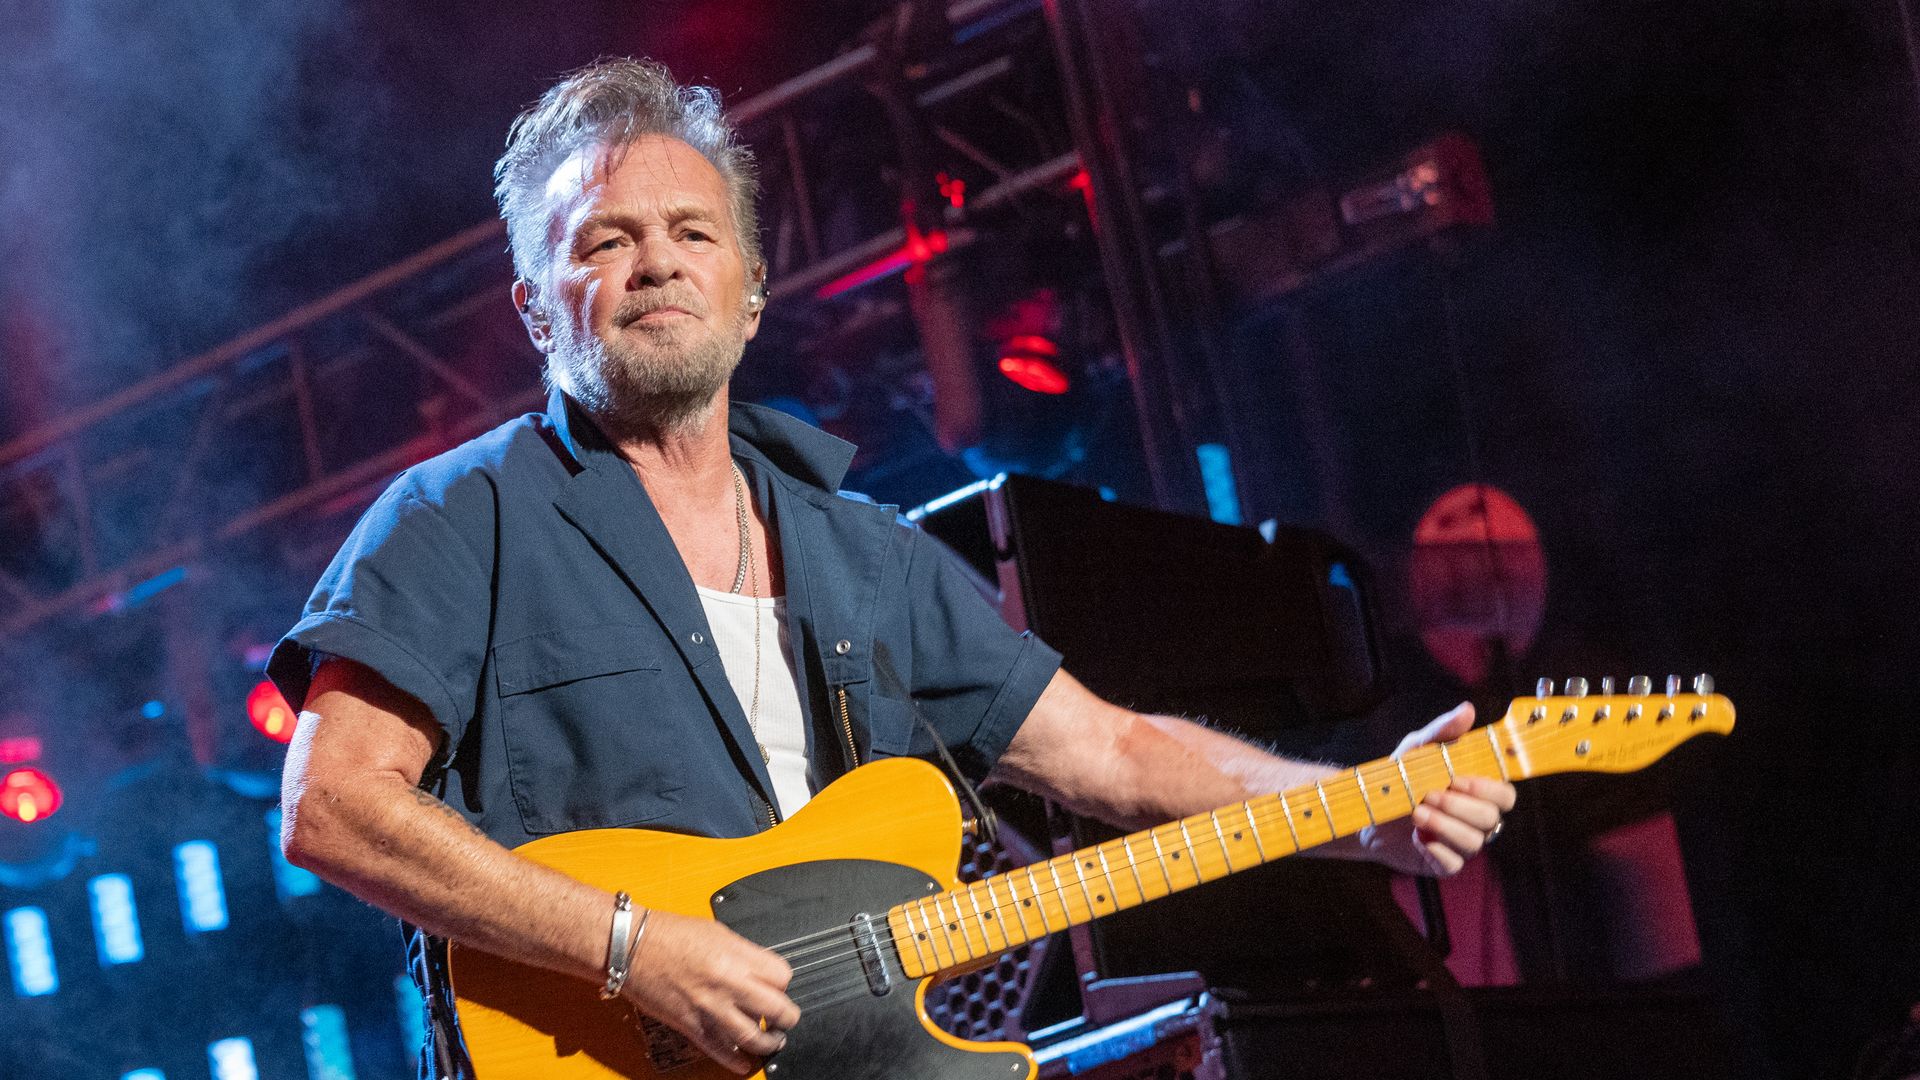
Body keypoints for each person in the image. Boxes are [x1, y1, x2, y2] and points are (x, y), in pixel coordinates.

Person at [270, 57, 1516, 1080]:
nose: (655, 261)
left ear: (751, 295)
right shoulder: (455, 518)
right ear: (541, 308)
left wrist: (1364, 807)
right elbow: (331, 807)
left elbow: (1115, 757)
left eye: (692, 232)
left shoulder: (864, 549)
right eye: (606, 238)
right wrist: (627, 945)